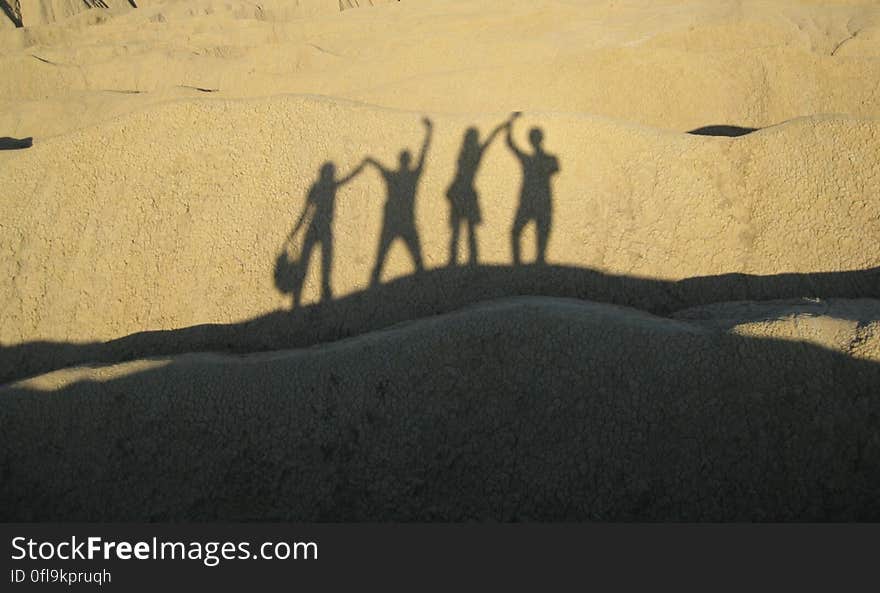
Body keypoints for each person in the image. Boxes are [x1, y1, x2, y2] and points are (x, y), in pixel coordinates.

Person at [287, 160, 365, 306]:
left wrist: (295, 232)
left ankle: (301, 298)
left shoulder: (322, 187)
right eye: (331, 171)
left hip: (316, 229)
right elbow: (307, 211)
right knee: (319, 261)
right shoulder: (327, 186)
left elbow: (305, 212)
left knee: (315, 261)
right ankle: (313, 295)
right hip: (320, 229)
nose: (331, 174)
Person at [365, 117, 433, 285]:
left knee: (381, 260)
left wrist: (371, 161)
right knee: (417, 261)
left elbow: (378, 166)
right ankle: (426, 292)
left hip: (390, 223)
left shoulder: (394, 176)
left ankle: (372, 292)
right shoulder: (412, 176)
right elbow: (423, 156)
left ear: (400, 160)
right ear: (408, 161)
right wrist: (429, 133)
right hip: (407, 223)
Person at [445, 116, 513, 266]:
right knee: (465, 230)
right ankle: (466, 260)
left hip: (462, 191)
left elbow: (490, 138)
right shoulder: (472, 151)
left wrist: (505, 124)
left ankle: (462, 261)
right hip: (464, 192)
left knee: (463, 229)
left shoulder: (470, 152)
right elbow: (490, 138)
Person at [506, 113, 559, 265]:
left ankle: (518, 265)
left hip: (530, 203)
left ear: (531, 140)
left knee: (517, 232)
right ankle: (532, 265)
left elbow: (510, 144)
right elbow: (555, 169)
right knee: (536, 236)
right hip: (540, 203)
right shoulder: (548, 159)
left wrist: (510, 123)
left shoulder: (530, 160)